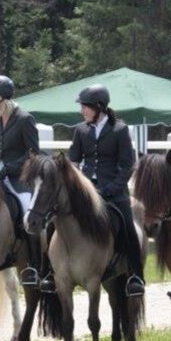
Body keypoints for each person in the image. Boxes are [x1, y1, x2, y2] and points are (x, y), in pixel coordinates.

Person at [53, 83, 145, 297]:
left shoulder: (119, 130)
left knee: (129, 227)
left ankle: (135, 276)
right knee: (54, 220)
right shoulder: (80, 130)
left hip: (113, 191)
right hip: (85, 191)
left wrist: (112, 188)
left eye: (85, 107)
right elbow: (73, 162)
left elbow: (128, 165)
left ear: (99, 107)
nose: (82, 111)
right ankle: (48, 271)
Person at [0, 75, 43, 287]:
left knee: (27, 213)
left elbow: (33, 154)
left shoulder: (24, 119)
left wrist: (10, 168)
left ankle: (34, 266)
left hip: (19, 179)